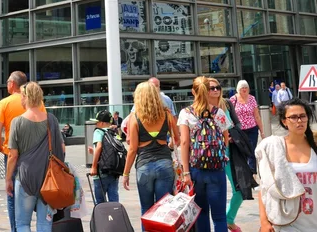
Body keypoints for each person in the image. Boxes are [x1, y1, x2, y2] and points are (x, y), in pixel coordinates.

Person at [6, 82, 65, 232]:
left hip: (26, 178)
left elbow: (13, 156)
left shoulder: (17, 122)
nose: (20, 99)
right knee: (44, 224)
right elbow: (62, 149)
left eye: (21, 96)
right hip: (48, 179)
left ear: (26, 97)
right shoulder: (52, 120)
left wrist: (8, 179)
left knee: (22, 224)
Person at [179, 76, 231, 232]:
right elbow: (226, 138)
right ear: (209, 90)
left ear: (192, 91)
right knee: (220, 216)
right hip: (216, 168)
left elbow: (184, 143)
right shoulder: (218, 112)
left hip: (196, 169)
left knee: (201, 213)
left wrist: (186, 172)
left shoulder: (186, 113)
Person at [256, 98, 317, 232]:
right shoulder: (274, 148)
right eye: (293, 117)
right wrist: (264, 221)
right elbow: (265, 189)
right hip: (284, 224)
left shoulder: (315, 146)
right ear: (284, 121)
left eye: (302, 116)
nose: (299, 121)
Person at [123, 82, 178, 227]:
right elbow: (177, 138)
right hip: (165, 163)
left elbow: (132, 149)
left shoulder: (134, 117)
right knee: (164, 208)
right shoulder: (166, 114)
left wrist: (126, 173)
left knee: (146, 210)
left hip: (144, 166)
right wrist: (169, 144)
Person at [208, 77, 247, 232]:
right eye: (212, 88)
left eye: (218, 87)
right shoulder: (200, 109)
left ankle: (229, 219)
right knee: (214, 193)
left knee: (242, 189)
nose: (216, 90)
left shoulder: (227, 104)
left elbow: (237, 124)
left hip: (231, 152)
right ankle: (222, 222)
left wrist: (231, 135)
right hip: (210, 156)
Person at [0, 71, 29, 232]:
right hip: (34, 155)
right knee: (33, 194)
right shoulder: (35, 102)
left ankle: (16, 229)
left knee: (12, 194)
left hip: (12, 155)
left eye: (8, 81)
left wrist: (1, 148)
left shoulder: (4, 103)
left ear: (12, 84)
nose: (7, 84)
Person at [230, 80, 265, 173]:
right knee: (242, 151)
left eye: (246, 87)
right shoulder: (233, 99)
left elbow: (256, 115)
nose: (244, 89)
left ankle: (253, 172)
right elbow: (229, 116)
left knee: (252, 150)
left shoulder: (252, 98)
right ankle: (244, 172)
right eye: (242, 88)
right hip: (239, 130)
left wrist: (262, 131)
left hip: (252, 128)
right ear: (238, 89)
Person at [90, 110, 119, 204]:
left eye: (97, 122)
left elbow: (99, 147)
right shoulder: (113, 132)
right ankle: (115, 217)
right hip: (114, 172)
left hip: (101, 173)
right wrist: (93, 152)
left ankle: (101, 219)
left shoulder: (98, 131)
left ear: (101, 123)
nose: (95, 123)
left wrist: (94, 167)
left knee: (100, 203)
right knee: (114, 202)